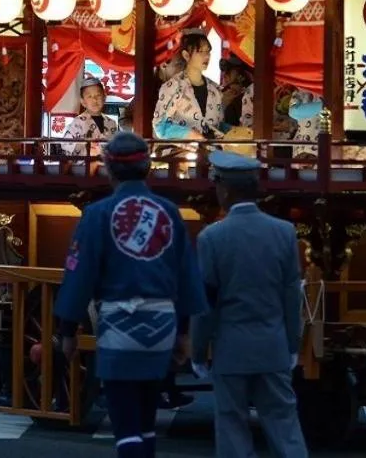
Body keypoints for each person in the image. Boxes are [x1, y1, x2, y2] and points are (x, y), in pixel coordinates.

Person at [54, 131, 206, 458]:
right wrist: (183, 332)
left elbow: (79, 275)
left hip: (118, 325)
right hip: (162, 326)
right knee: (147, 417)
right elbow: (187, 276)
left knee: (125, 424)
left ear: (108, 168)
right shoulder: (167, 211)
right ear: (148, 167)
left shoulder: (97, 214)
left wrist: (67, 330)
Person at [190, 151, 307, 458]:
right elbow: (291, 295)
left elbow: (206, 304)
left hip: (231, 348)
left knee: (232, 426)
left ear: (224, 189)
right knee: (284, 423)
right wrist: (293, 344)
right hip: (273, 345)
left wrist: (199, 352)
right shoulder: (284, 232)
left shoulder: (211, 238)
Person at [153, 33, 225, 140]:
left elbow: (219, 125)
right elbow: (160, 126)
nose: (206, 56)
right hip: (178, 152)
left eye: (208, 51)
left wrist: (232, 130)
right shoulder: (173, 87)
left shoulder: (215, 89)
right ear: (186, 55)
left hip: (211, 153)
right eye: (200, 51)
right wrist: (188, 134)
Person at [63, 74, 119, 156]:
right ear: (83, 102)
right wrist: (86, 144)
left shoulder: (111, 122)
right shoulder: (78, 122)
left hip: (107, 165)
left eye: (98, 95)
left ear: (104, 97)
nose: (94, 99)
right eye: (89, 96)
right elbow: (66, 144)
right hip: (84, 166)